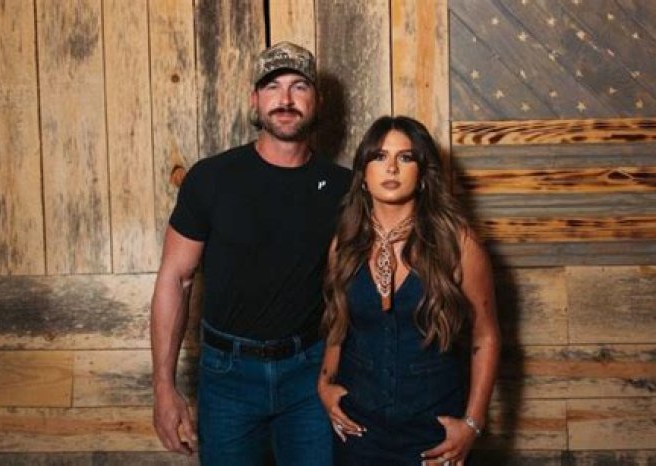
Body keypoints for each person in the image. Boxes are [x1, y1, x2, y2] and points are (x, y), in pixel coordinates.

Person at [150, 41, 351, 465]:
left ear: (317, 101)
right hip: (228, 375)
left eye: (299, 87)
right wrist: (164, 387)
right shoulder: (211, 178)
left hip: (309, 373)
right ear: (254, 100)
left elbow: (356, 288)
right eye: (272, 86)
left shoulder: (343, 188)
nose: (285, 99)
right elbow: (175, 279)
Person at [318, 116, 501, 465]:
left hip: (432, 433)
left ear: (423, 173)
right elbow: (337, 320)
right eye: (379, 156)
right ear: (363, 173)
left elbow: (486, 336)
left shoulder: (458, 244)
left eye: (405, 157)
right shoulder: (345, 243)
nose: (391, 168)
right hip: (359, 430)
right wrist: (324, 385)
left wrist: (472, 424)